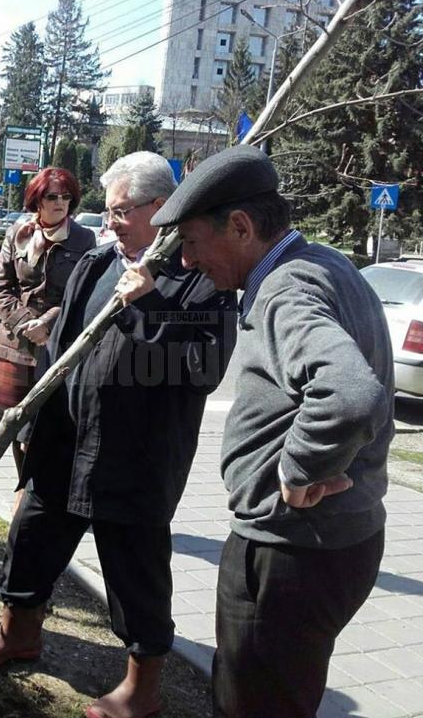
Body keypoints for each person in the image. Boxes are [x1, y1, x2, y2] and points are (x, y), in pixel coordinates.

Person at [0, 151, 237, 718]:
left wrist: (146, 302)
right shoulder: (96, 265)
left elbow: (203, 369)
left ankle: (141, 689)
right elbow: (58, 354)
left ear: (161, 208)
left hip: (135, 461)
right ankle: (17, 633)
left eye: (122, 210)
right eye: (108, 208)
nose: (109, 219)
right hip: (64, 446)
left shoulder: (200, 281)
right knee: (30, 540)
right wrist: (33, 416)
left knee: (134, 573)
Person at [150, 144, 394, 718]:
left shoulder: (286, 290)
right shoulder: (328, 265)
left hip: (288, 553)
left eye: (190, 240)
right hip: (335, 541)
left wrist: (297, 468)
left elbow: (351, 393)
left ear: (239, 226)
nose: (186, 261)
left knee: (251, 704)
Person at [0, 167, 96, 485]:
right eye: (52, 196)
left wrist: (47, 322)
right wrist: (25, 323)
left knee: (48, 424)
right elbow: (1, 286)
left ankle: (40, 492)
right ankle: (24, 487)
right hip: (16, 344)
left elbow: (83, 293)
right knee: (15, 424)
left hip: (57, 343)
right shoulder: (18, 233)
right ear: (37, 200)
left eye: (66, 196)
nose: (60, 202)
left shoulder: (84, 238)